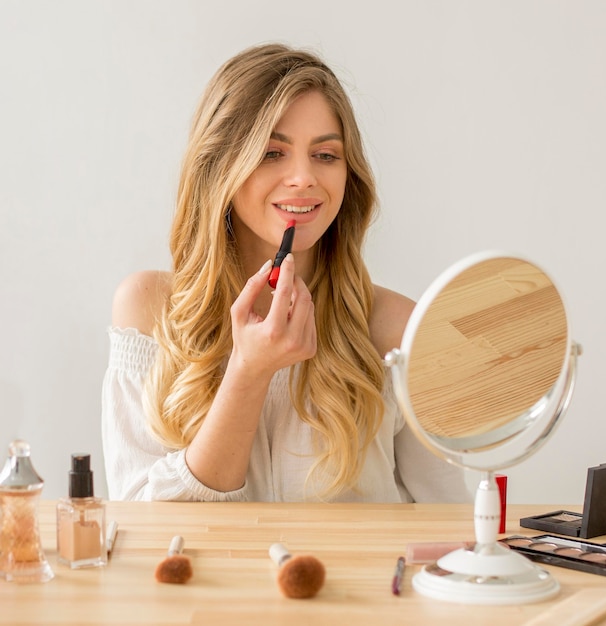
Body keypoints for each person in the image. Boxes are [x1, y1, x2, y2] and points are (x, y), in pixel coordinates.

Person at [101, 42, 470, 503]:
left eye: (326, 155)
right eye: (273, 152)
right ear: (219, 167)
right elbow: (140, 526)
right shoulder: (149, 309)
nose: (303, 178)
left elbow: (451, 522)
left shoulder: (397, 328)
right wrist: (247, 374)